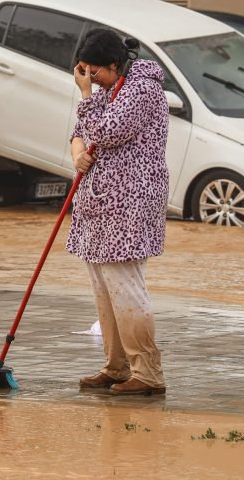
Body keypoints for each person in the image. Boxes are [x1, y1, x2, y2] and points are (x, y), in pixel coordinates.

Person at [68, 28, 170, 396]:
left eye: (93, 71)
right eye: (83, 71)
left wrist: (85, 95)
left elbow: (107, 131)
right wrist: (77, 153)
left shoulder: (142, 89)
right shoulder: (111, 90)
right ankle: (116, 366)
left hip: (130, 203)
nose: (89, 78)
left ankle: (148, 372)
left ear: (114, 64)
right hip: (99, 204)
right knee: (104, 288)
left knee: (125, 288)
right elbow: (80, 131)